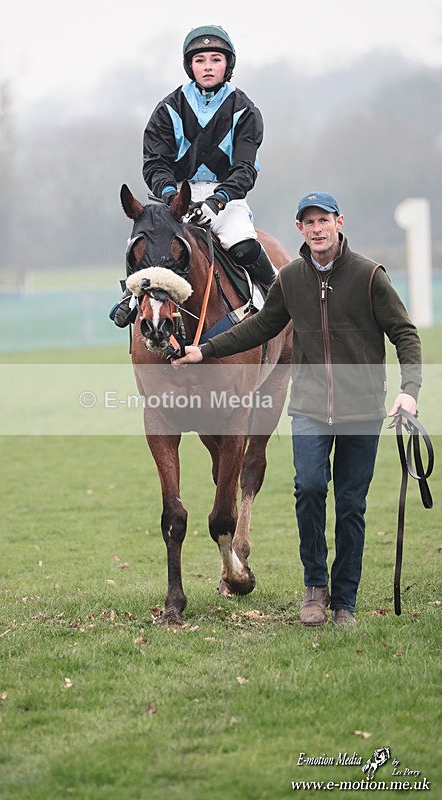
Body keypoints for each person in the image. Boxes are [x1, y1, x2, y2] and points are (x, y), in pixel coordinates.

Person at [171, 191, 422, 627]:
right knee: (308, 490)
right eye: (309, 222)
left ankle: (344, 601)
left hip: (361, 410)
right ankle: (314, 590)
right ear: (300, 229)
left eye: (324, 220)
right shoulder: (289, 279)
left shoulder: (369, 276)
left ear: (339, 223)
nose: (318, 228)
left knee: (350, 506)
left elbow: (405, 334)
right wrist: (203, 351)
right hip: (308, 408)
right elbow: (259, 327)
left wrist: (409, 391)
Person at [111, 24, 277, 327]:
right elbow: (155, 164)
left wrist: (218, 201)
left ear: (228, 64)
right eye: (200, 60)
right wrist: (172, 197)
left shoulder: (245, 110)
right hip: (175, 197)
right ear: (190, 65)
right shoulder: (168, 109)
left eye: (216, 59)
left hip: (227, 198)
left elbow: (245, 168)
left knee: (244, 246)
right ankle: (131, 298)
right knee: (144, 244)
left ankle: (279, 299)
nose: (208, 67)